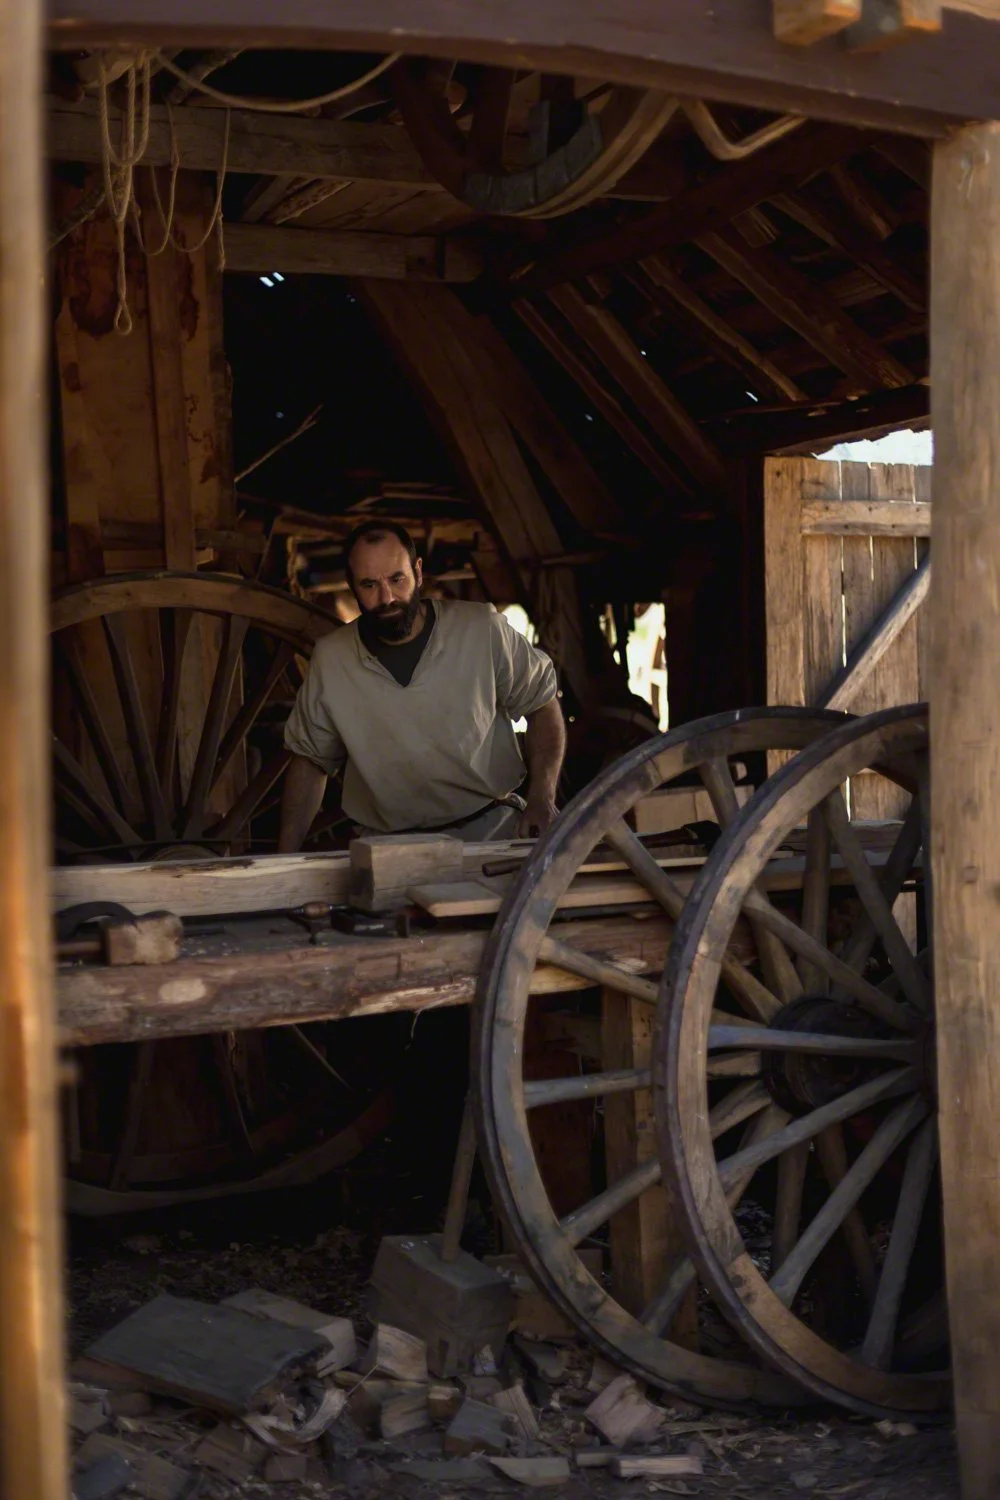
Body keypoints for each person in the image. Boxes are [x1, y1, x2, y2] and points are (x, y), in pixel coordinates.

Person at [278, 520, 566, 849]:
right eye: (369, 584)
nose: (387, 597)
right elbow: (311, 760)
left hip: (491, 830)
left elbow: (542, 706)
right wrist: (285, 857)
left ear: (418, 571)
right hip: (385, 847)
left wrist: (542, 798)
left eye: (397, 579)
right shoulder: (332, 660)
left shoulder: (481, 630)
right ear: (352, 586)